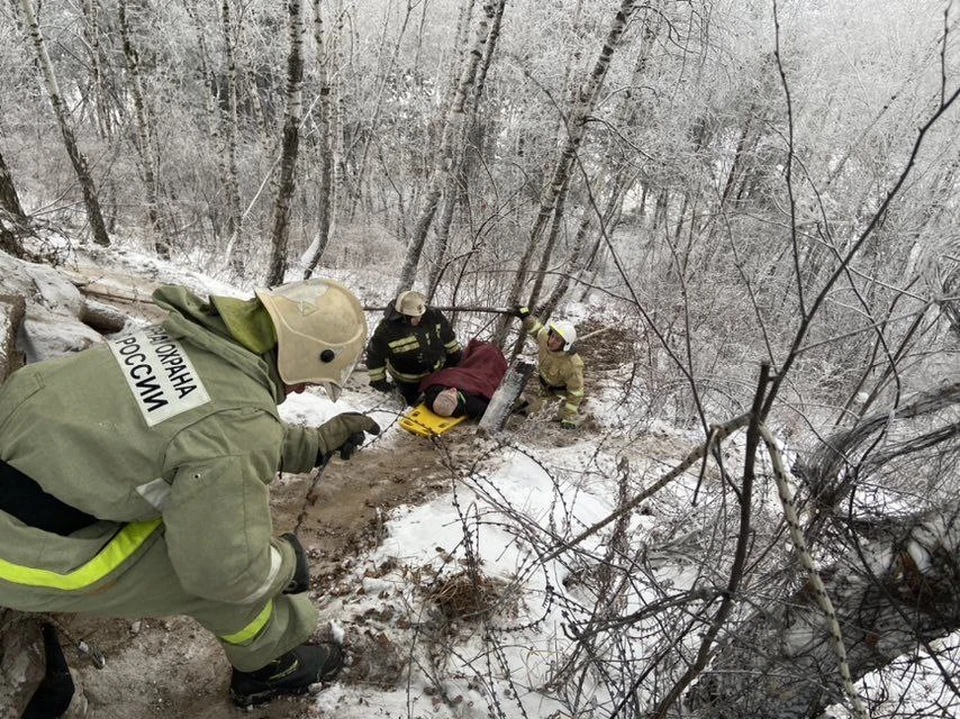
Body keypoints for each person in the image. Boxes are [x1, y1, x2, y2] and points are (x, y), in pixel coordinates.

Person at [0, 278, 381, 708]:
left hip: (30, 478)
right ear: (300, 354)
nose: (302, 390)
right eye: (309, 378)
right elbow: (226, 570)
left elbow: (201, 426)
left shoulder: (183, 336)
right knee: (223, 565)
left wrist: (313, 444)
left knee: (206, 523)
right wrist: (288, 562)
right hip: (21, 547)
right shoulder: (236, 426)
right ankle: (268, 666)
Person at [365, 290, 462, 405]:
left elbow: (448, 338)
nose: (419, 319)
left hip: (435, 374)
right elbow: (374, 357)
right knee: (412, 404)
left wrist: (454, 358)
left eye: (420, 315)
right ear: (403, 316)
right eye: (414, 317)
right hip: (406, 380)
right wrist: (380, 383)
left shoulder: (433, 316)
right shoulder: (386, 331)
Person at [514, 306, 585, 429]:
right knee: (517, 402)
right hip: (545, 390)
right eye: (552, 336)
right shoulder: (545, 340)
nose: (552, 341)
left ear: (565, 345)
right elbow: (536, 328)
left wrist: (569, 418)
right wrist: (525, 316)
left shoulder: (572, 365)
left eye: (557, 340)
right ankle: (541, 402)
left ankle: (567, 412)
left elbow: (576, 392)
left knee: (530, 412)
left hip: (561, 397)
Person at [418, 338, 508, 419]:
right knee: (492, 356)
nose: (452, 389)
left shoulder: (433, 393)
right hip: (486, 368)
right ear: (457, 404)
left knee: (480, 354)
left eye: (447, 391)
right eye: (453, 395)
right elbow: (489, 407)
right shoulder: (472, 405)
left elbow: (434, 381)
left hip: (469, 366)